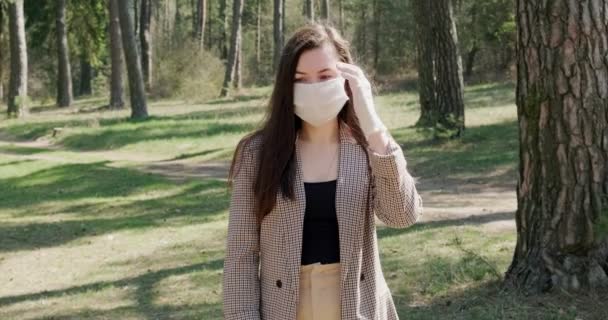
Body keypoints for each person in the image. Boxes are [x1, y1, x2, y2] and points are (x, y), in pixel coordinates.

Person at [222, 22, 423, 320]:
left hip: (358, 306)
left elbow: (402, 215)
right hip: (285, 308)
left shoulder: (368, 146)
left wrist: (374, 128)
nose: (314, 87)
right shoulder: (258, 153)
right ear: (286, 86)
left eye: (325, 76)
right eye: (301, 79)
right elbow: (241, 256)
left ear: (347, 79)